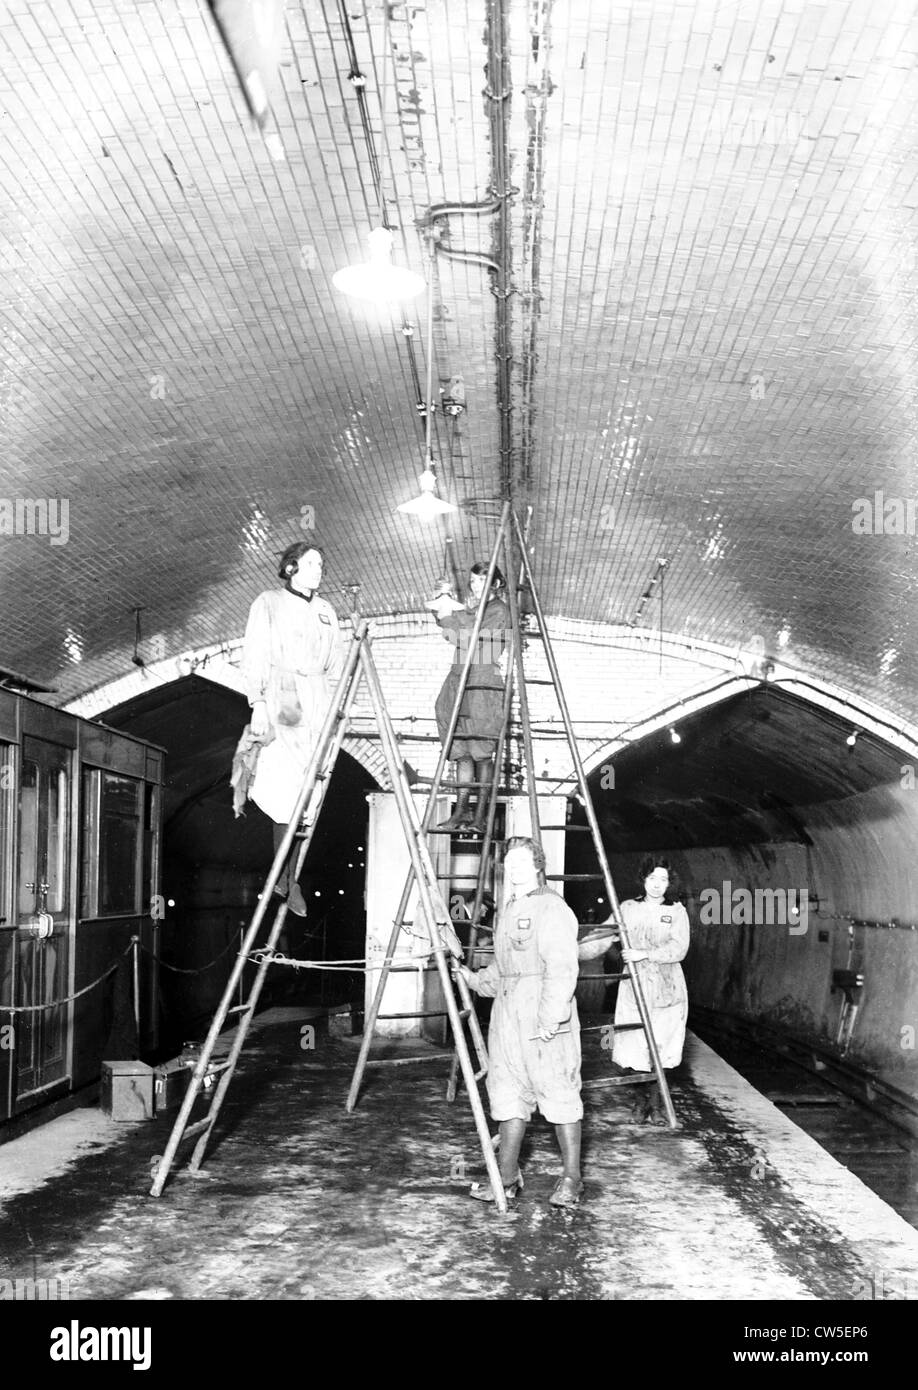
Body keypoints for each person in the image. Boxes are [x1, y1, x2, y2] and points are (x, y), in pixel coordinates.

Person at [455, 836, 584, 1208]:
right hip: (507, 1014)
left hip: (542, 1010)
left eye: (521, 862)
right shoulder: (509, 909)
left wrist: (550, 1017)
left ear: (538, 866)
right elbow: (503, 968)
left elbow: (561, 968)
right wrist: (473, 978)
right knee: (508, 1092)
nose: (513, 869)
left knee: (558, 1091)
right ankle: (507, 1177)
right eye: (508, 863)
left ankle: (572, 1179)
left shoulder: (553, 908)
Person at [239, 542, 344, 917]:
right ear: (291, 567)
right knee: (288, 793)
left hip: (316, 700)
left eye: (321, 563)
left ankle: (287, 877)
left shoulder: (327, 611)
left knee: (310, 793)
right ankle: (286, 878)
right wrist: (258, 703)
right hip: (283, 695)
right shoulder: (267, 603)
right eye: (311, 563)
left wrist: (334, 705)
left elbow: (334, 664)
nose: (319, 569)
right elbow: (254, 654)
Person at [578, 857, 689, 1124]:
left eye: (663, 880)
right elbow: (601, 938)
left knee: (662, 1050)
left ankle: (657, 1106)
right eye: (652, 879)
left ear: (669, 883)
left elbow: (679, 949)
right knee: (634, 1049)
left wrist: (644, 953)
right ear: (643, 880)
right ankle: (640, 1104)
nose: (657, 885)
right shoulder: (627, 909)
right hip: (634, 988)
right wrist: (571, 950)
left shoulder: (676, 911)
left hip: (667, 987)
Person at [426, 563, 512, 834]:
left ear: (497, 584)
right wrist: (445, 610)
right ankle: (461, 811)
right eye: (473, 581)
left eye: (483, 580)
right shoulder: (473, 611)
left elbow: (469, 637)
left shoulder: (499, 610)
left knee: (482, 754)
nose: (476, 585)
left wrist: (449, 613)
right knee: (462, 752)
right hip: (460, 678)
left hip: (482, 683)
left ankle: (481, 816)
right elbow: (454, 633)